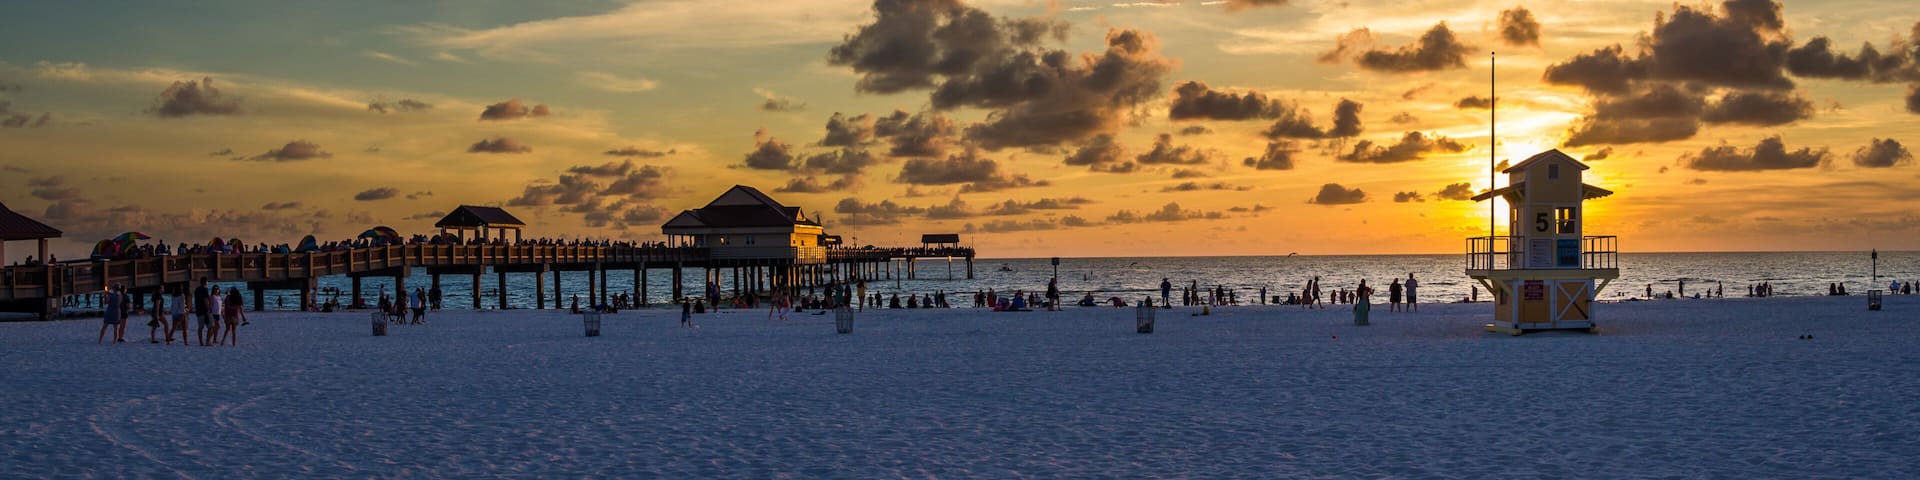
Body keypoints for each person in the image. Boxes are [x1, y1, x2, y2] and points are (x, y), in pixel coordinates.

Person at [194, 277, 213, 346]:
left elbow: (196, 300)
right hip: (204, 310)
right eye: (207, 281)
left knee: (200, 327)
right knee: (211, 326)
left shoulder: (196, 289)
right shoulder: (205, 289)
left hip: (198, 310)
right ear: (205, 282)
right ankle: (207, 341)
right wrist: (208, 309)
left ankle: (201, 342)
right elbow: (205, 300)